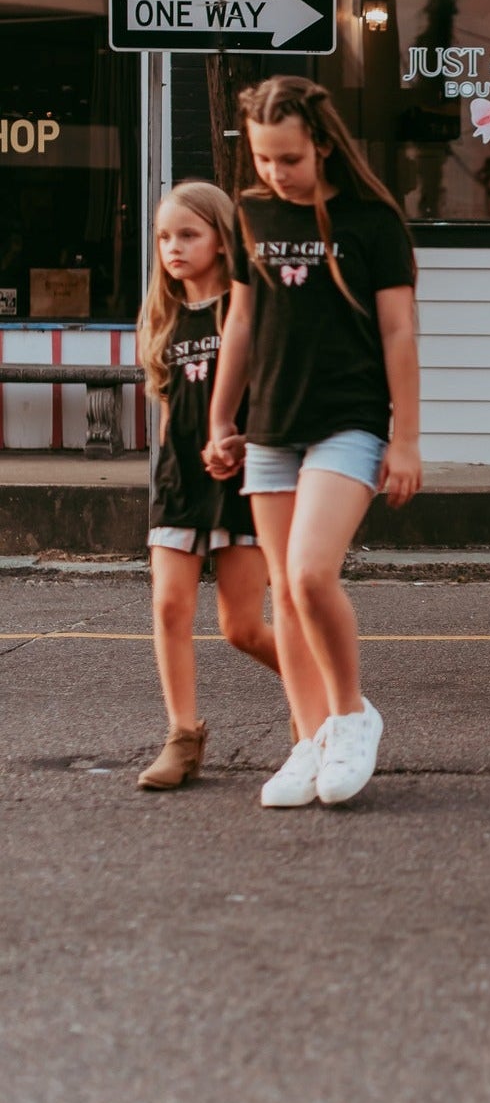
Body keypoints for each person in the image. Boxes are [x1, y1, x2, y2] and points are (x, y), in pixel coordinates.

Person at [205, 75, 421, 807]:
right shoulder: (251, 212)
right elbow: (238, 324)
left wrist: (407, 440)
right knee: (283, 600)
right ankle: (307, 739)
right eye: (264, 159)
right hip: (269, 426)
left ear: (322, 144)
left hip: (349, 420)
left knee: (307, 575)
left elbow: (398, 332)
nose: (275, 172)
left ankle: (351, 715)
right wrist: (220, 418)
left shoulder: (369, 219)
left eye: (289, 158)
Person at [136, 182, 279, 789]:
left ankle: (323, 691)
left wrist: (245, 444)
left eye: (188, 234)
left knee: (241, 627)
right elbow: (171, 410)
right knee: (169, 607)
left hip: (243, 481)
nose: (174, 247)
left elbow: (271, 396)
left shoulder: (246, 310)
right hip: (179, 485)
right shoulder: (162, 319)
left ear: (222, 241)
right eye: (165, 237)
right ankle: (183, 734)